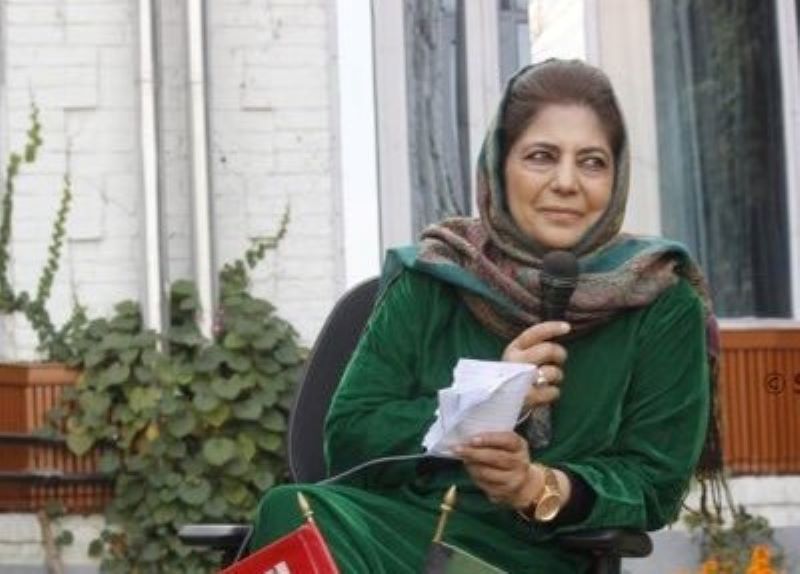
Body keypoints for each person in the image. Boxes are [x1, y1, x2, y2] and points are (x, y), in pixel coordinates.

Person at [249, 59, 716, 573]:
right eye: (541, 156)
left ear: (617, 177)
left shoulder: (659, 299)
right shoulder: (434, 274)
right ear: (499, 166)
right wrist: (482, 400)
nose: (566, 182)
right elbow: (349, 438)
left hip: (538, 555)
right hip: (397, 531)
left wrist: (537, 487)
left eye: (592, 162)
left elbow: (655, 481)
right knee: (289, 512)